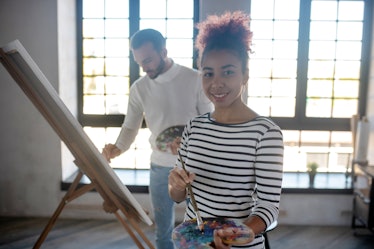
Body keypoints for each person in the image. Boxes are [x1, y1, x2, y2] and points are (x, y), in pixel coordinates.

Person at [168, 11, 284, 249]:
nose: (216, 83)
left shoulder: (265, 133)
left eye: (228, 72)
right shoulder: (194, 127)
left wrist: (235, 234)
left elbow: (269, 207)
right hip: (194, 243)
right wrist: (176, 185)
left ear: (245, 76)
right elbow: (179, 197)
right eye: (208, 73)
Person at [102, 29, 213, 249]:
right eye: (139, 62)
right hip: (160, 168)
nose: (144, 67)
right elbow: (130, 126)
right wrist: (117, 148)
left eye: (148, 60)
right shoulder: (139, 88)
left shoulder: (195, 79)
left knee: (201, 230)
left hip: (196, 166)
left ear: (163, 51)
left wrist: (188, 143)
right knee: (163, 232)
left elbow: (209, 122)